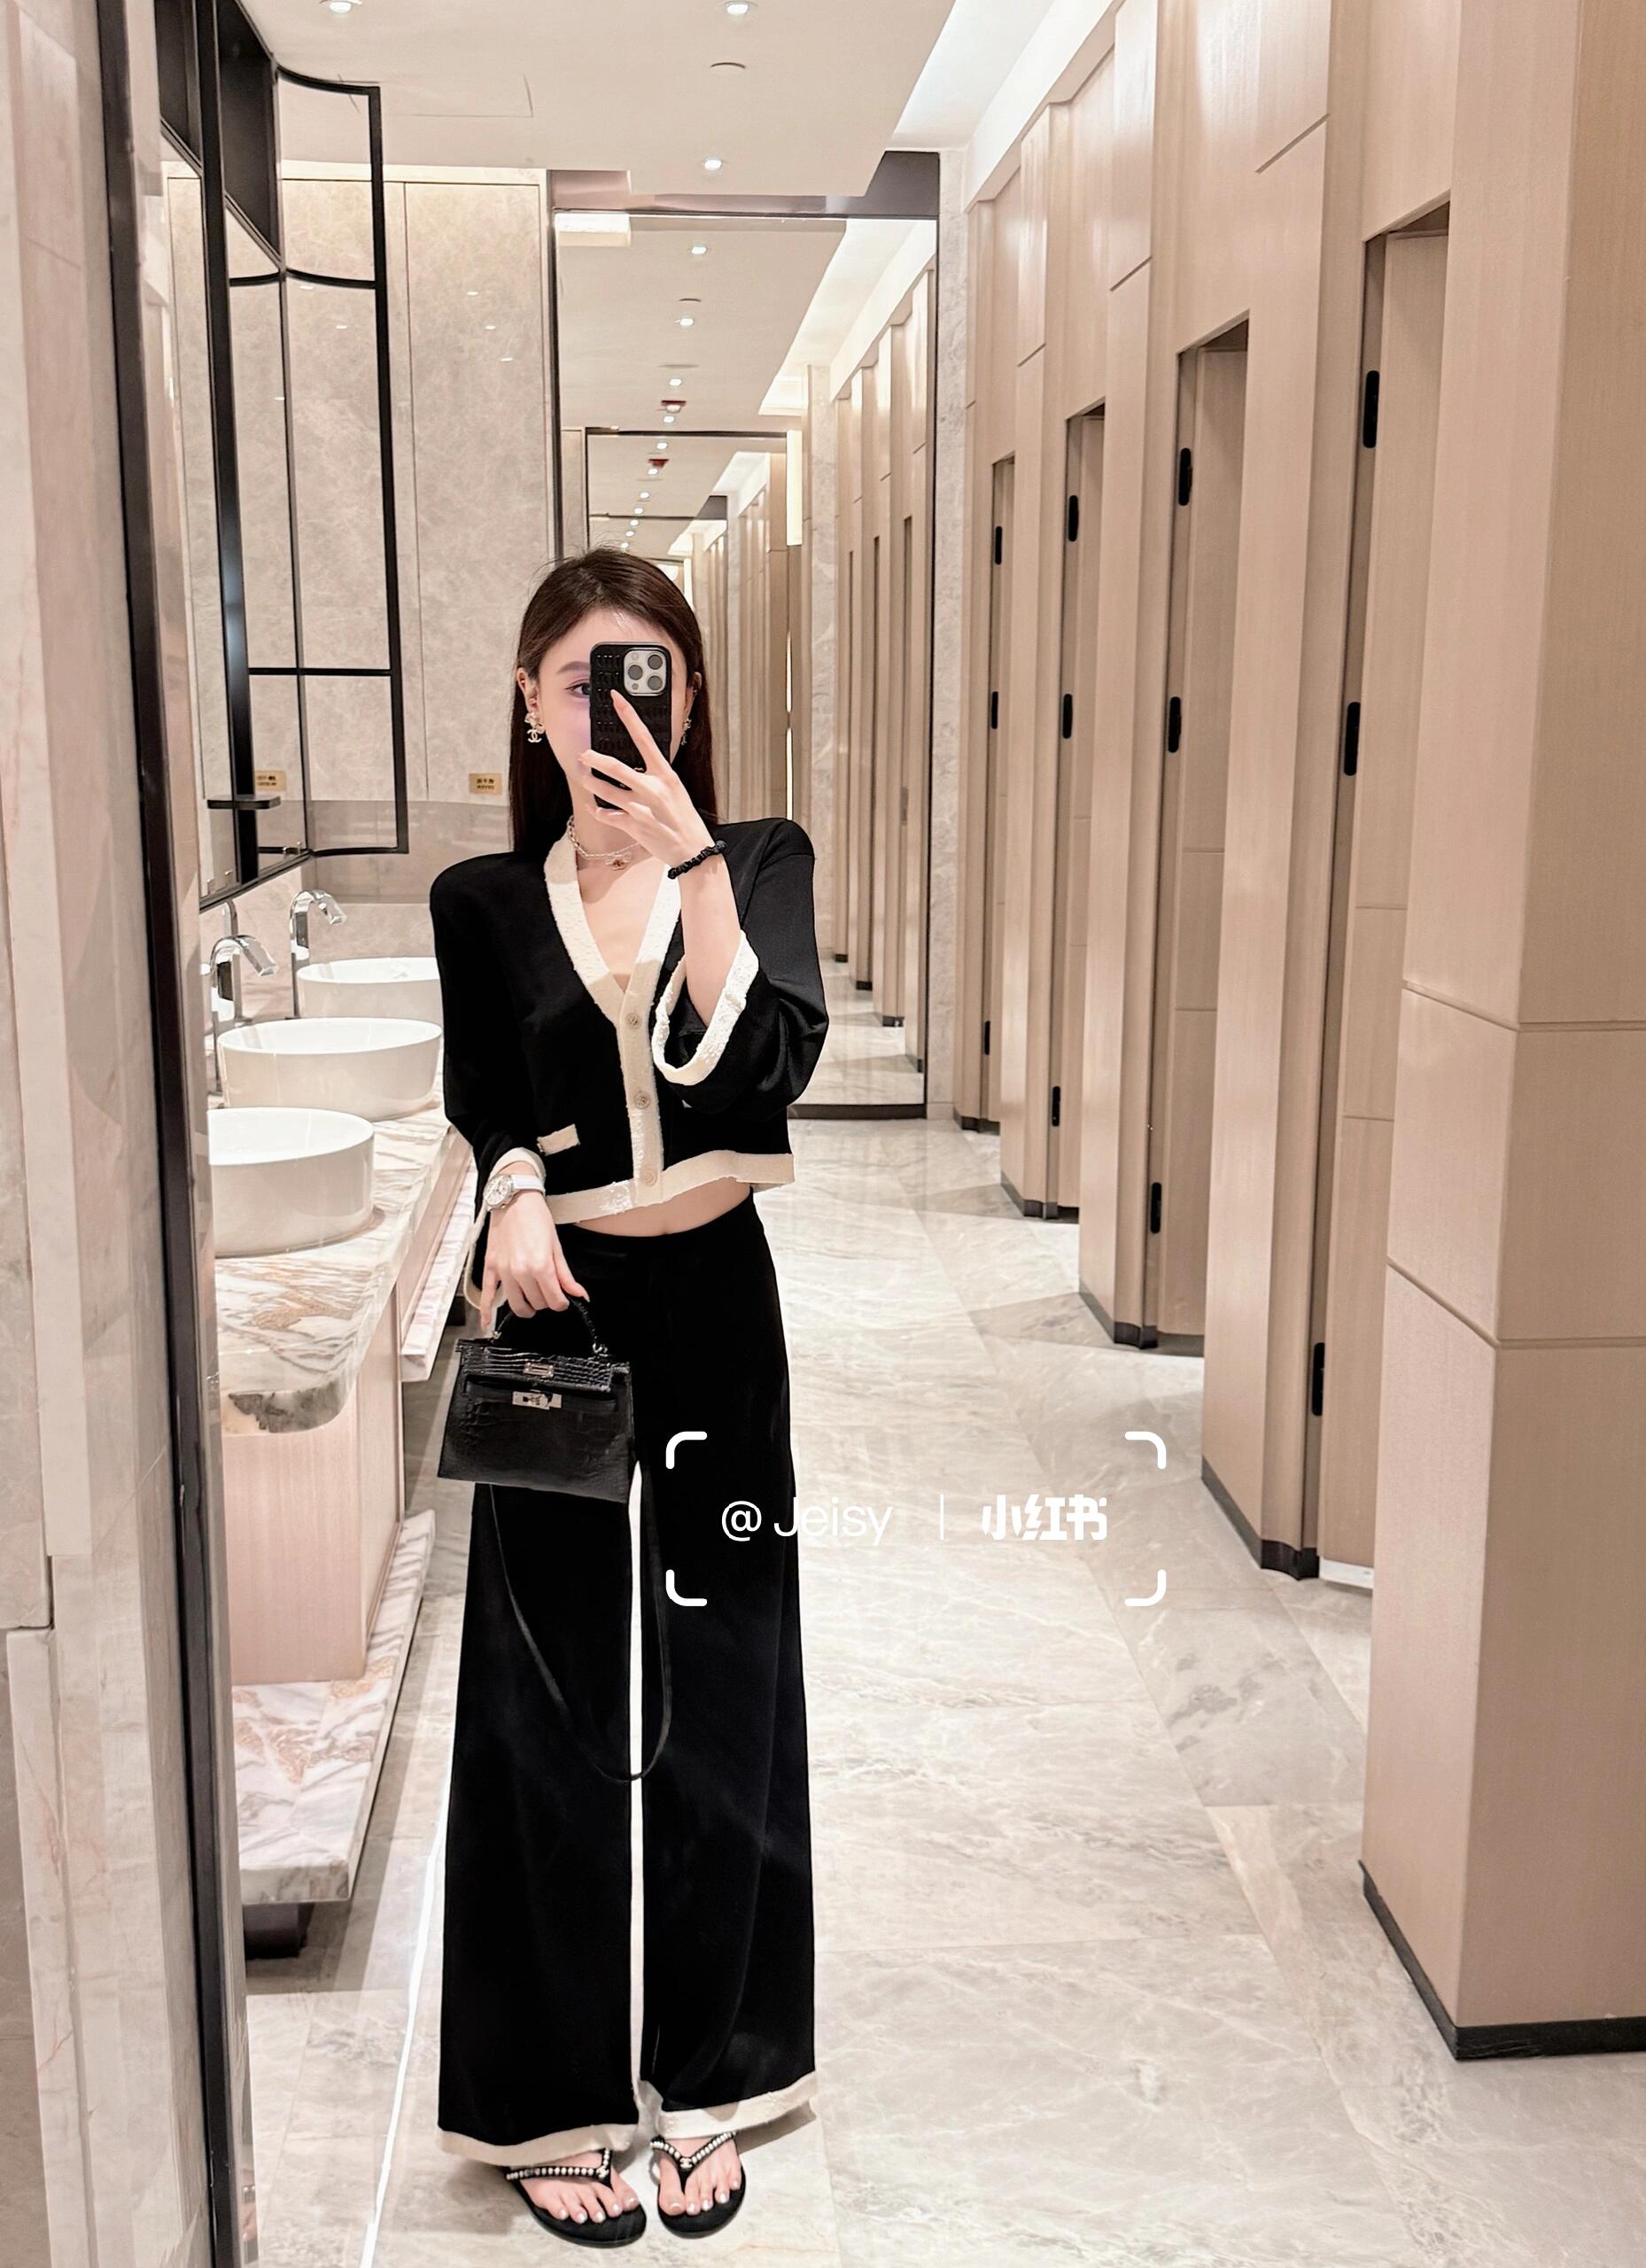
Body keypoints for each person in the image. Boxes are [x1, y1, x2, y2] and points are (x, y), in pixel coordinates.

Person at [428, 548, 829, 2247]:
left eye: (646, 672)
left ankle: (716, 2070)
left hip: (717, 1299)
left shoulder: (758, 858)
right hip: (560, 1312)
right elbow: (483, 1093)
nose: (612, 705)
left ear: (691, 694)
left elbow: (767, 1065)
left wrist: (694, 875)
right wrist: (515, 1186)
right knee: (545, 1686)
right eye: (581, 677)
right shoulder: (479, 900)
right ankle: (547, 2094)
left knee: (728, 1660)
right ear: (530, 702)